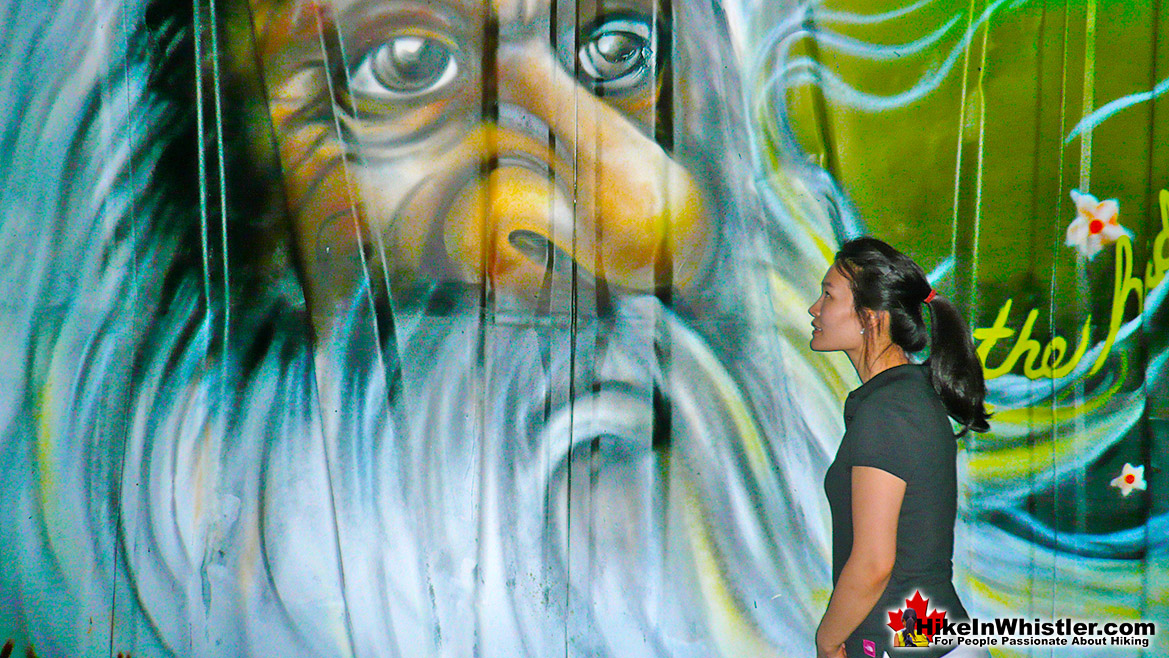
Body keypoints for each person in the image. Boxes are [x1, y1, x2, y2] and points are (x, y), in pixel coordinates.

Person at [809, 237, 990, 658]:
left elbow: (873, 563)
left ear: (870, 318)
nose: (814, 309)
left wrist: (828, 640)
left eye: (828, 295)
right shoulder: (903, 399)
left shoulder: (888, 411)